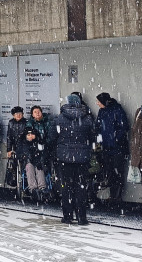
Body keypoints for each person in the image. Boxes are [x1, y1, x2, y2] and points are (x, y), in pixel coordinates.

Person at [48, 94, 97, 225]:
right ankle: (82, 217)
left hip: (65, 158)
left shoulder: (59, 118)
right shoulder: (87, 118)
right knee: (81, 187)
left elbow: (52, 137)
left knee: (66, 187)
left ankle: (67, 216)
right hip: (82, 159)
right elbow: (93, 136)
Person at [95, 92, 130, 206]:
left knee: (117, 173)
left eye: (99, 102)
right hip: (108, 147)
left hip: (116, 148)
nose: (97, 104)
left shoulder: (116, 110)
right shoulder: (105, 111)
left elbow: (123, 127)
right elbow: (98, 127)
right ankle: (113, 196)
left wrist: (114, 140)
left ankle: (116, 196)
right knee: (110, 172)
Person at [18, 126, 47, 201]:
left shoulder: (39, 142)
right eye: (28, 135)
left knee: (39, 168)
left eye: (32, 134)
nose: (30, 136)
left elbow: (43, 152)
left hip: (38, 161)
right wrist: (24, 157)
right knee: (30, 167)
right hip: (27, 162)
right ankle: (33, 188)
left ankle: (42, 188)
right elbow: (19, 154)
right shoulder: (22, 143)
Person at [5, 106, 27, 187]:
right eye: (16, 114)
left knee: (25, 166)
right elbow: (9, 137)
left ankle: (25, 184)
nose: (18, 115)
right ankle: (14, 181)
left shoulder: (26, 122)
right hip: (15, 147)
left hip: (24, 147)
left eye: (20, 114)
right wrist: (9, 149)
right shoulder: (11, 123)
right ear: (13, 115)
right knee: (14, 165)